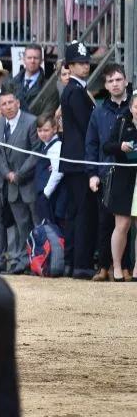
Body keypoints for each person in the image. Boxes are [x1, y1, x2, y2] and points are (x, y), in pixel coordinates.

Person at [84, 63, 130, 280]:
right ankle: (103, 267)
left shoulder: (134, 106)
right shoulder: (99, 111)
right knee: (104, 222)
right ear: (105, 85)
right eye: (110, 81)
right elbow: (91, 145)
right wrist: (92, 173)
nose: (115, 84)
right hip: (105, 173)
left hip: (131, 173)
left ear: (126, 81)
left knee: (128, 222)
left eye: (118, 79)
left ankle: (126, 268)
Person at [60, 41, 98, 279]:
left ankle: (72, 261)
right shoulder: (75, 91)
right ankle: (81, 263)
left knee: (76, 212)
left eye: (86, 63)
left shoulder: (77, 89)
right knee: (83, 212)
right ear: (70, 66)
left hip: (74, 159)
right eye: (80, 63)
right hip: (79, 159)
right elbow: (87, 128)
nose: (85, 67)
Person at [0, 91, 39, 274]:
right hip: (12, 186)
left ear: (18, 103)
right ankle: (23, 261)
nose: (8, 106)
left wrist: (19, 174)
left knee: (37, 224)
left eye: (11, 102)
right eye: (4, 103)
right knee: (21, 226)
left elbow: (37, 152)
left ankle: (39, 261)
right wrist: (7, 173)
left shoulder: (31, 121)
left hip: (30, 183)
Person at [103, 95, 137, 281]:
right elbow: (106, 146)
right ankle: (116, 267)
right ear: (131, 108)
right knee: (122, 225)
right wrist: (121, 146)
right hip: (123, 178)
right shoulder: (122, 122)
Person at [35, 114, 66, 225]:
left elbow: (58, 172)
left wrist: (46, 193)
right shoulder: (44, 145)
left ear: (55, 129)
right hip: (46, 194)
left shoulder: (56, 146)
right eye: (39, 130)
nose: (42, 134)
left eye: (46, 130)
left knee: (51, 227)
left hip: (51, 196)